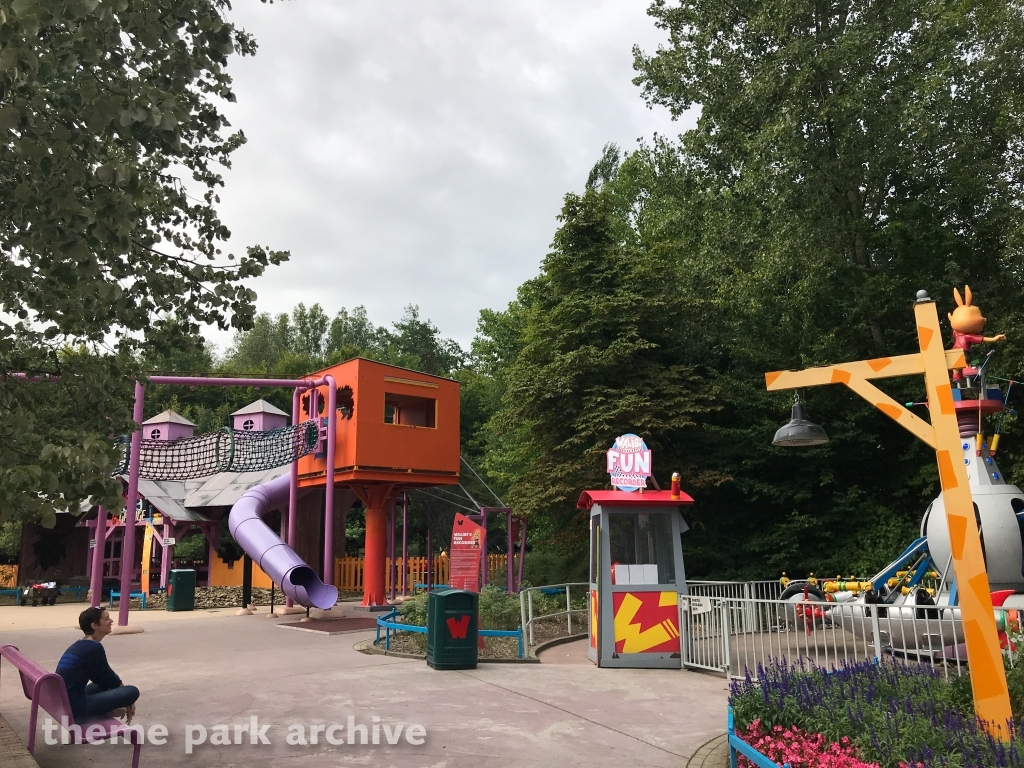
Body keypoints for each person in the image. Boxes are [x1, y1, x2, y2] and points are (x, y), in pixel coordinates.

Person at [56, 607, 140, 724]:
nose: (111, 621)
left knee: (103, 686)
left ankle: (107, 711)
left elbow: (104, 678)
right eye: (106, 619)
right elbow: (108, 677)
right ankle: (104, 713)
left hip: (64, 701)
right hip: (75, 708)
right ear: (95, 625)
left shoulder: (80, 644)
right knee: (132, 691)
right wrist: (129, 700)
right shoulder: (93, 648)